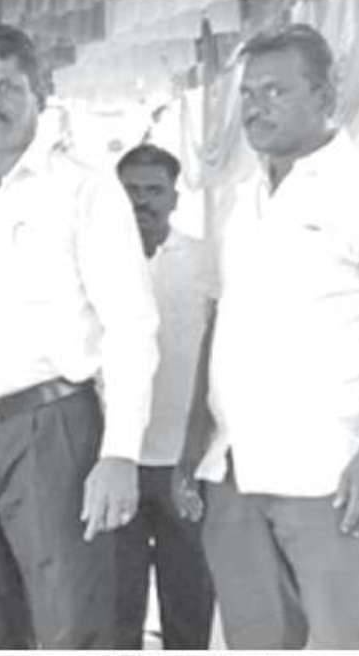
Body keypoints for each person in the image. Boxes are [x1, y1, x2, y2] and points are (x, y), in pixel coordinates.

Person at [172, 23, 359, 649]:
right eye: (248, 94)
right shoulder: (240, 200)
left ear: (325, 96)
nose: (255, 107)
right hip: (236, 470)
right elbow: (222, 327)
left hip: (334, 474)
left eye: (276, 91)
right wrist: (194, 445)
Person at [0, 23, 158, 649]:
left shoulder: (85, 189)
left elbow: (131, 323)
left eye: (7, 87)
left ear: (39, 94)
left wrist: (120, 452)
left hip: (53, 431)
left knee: (70, 623)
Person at [110, 144, 214, 649]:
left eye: (154, 190)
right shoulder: (93, 262)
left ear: (175, 197)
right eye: (130, 191)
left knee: (190, 604)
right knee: (113, 609)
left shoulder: (204, 261)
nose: (142, 201)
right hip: (114, 464)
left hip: (185, 463)